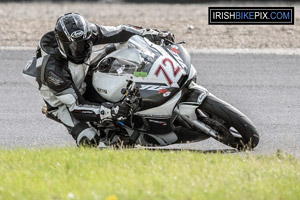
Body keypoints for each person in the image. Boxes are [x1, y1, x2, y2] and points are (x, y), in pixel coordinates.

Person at [31, 13, 174, 147]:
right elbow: (77, 107)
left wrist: (151, 34)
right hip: (64, 102)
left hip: (82, 75)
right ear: (62, 44)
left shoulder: (89, 33)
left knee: (120, 46)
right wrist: (111, 111)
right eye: (74, 47)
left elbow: (121, 31)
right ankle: (110, 134)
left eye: (84, 44)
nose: (80, 50)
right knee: (89, 139)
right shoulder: (52, 70)